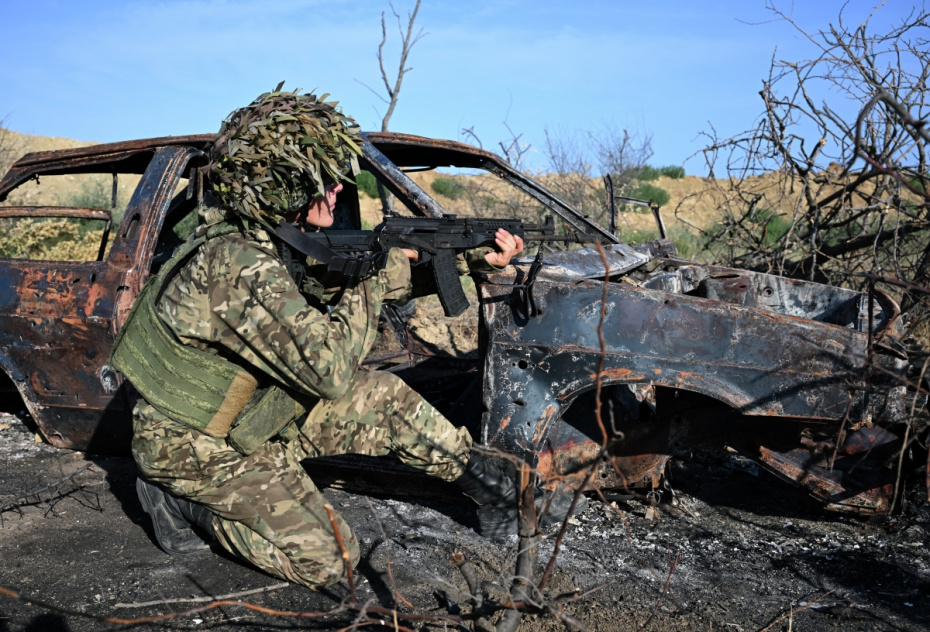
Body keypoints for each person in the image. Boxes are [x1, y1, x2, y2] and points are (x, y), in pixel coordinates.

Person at [110, 87, 578, 589]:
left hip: (252, 415)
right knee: (333, 558)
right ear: (287, 186)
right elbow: (330, 371)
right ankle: (176, 501)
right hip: (194, 447)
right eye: (326, 181)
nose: (338, 191)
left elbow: (352, 281)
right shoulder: (238, 265)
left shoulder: (264, 240)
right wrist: (369, 277)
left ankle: (493, 488)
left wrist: (467, 258)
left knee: (386, 400)